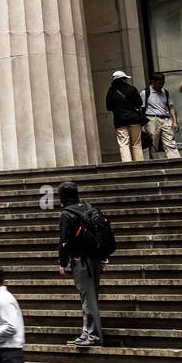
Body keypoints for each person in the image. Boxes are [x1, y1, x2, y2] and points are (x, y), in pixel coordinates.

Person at [58, 181, 104, 347]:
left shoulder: (67, 214)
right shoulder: (87, 206)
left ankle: (92, 335)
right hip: (95, 258)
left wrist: (62, 262)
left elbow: (65, 241)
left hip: (81, 261)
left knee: (87, 298)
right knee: (91, 297)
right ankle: (88, 332)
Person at [105, 70, 146, 162]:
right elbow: (139, 103)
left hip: (120, 120)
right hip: (134, 119)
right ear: (124, 79)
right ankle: (140, 163)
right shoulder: (132, 89)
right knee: (136, 143)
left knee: (123, 143)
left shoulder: (111, 91)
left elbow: (109, 107)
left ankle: (127, 164)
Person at [142, 73, 180, 159]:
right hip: (152, 119)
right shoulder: (145, 93)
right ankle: (155, 164)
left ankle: (176, 162)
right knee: (153, 144)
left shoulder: (165, 92)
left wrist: (175, 122)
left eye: (162, 83)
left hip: (165, 119)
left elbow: (171, 107)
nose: (161, 85)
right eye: (159, 83)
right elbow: (141, 108)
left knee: (170, 142)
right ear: (153, 82)